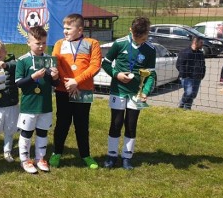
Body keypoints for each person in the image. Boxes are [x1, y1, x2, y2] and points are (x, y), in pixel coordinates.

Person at [101, 17, 156, 170]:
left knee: (131, 125)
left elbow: (151, 74)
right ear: (130, 31)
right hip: (118, 91)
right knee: (116, 123)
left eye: (143, 38)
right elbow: (105, 63)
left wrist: (145, 91)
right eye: (136, 38)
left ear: (147, 33)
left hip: (136, 94)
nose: (139, 41)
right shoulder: (119, 44)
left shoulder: (150, 50)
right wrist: (116, 74)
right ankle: (112, 155)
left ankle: (127, 157)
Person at [50, 13, 102, 169]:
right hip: (63, 90)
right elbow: (55, 63)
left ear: (80, 29)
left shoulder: (92, 43)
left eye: (68, 28)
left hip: (83, 91)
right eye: (64, 28)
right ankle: (57, 153)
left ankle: (86, 155)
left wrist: (76, 81)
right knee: (62, 123)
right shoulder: (59, 44)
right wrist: (62, 79)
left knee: (82, 124)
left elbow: (95, 66)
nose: (65, 31)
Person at [15, 26, 60, 174]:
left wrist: (55, 77)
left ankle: (40, 158)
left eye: (44, 43)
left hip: (45, 105)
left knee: (42, 132)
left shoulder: (48, 60)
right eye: (37, 43)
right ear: (28, 42)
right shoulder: (22, 61)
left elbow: (55, 84)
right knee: (26, 133)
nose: (41, 46)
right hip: (29, 105)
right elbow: (18, 83)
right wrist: (33, 77)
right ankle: (25, 160)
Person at [176, 36, 206, 110]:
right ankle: (181, 105)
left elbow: (203, 65)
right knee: (189, 92)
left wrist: (202, 74)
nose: (202, 44)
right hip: (187, 77)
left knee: (193, 94)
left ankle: (188, 108)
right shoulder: (184, 52)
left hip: (197, 77)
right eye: (201, 42)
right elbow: (179, 65)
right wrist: (184, 75)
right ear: (195, 42)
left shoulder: (200, 53)